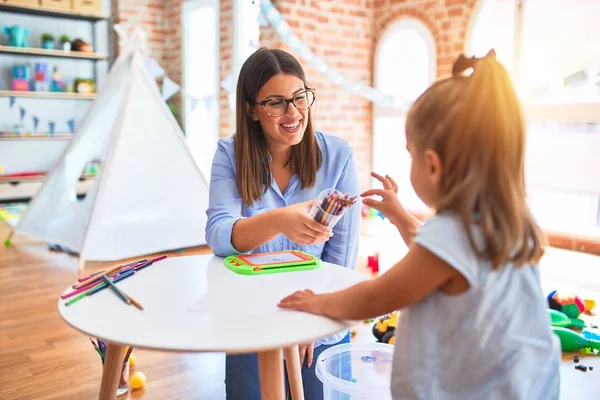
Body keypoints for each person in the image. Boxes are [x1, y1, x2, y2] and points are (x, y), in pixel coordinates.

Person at [278, 50, 561, 400]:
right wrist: (398, 215)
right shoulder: (506, 223)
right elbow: (444, 261)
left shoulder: (451, 236)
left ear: (433, 165)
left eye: (410, 154)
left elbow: (377, 296)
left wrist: (317, 302)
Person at [205, 47, 361, 399]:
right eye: (275, 102)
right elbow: (218, 235)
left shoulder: (338, 156)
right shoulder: (229, 155)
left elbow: (342, 262)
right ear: (251, 110)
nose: (293, 113)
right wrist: (279, 221)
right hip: (249, 319)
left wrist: (313, 325)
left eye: (299, 97)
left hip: (320, 318)